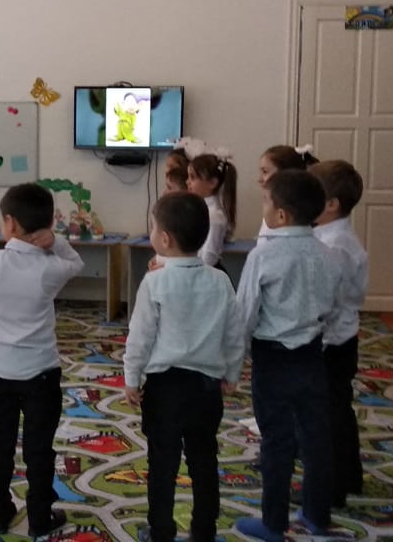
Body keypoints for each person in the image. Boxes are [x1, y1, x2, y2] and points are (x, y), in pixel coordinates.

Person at [123, 192, 244, 542]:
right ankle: (204, 530)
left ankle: (161, 530)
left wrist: (131, 377)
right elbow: (234, 333)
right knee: (204, 460)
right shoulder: (220, 280)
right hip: (206, 388)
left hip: (165, 389)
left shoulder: (155, 281)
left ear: (164, 239)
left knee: (162, 464)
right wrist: (232, 372)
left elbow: (140, 336)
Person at [0, 183, 84, 538]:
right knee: (39, 448)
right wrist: (56, 241)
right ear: (46, 224)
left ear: (11, 223)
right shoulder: (50, 267)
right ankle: (39, 518)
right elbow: (76, 263)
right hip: (41, 375)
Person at [233, 169, 341, 542]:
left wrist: (235, 361)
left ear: (280, 215)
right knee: (316, 437)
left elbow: (245, 312)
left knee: (277, 441)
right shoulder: (329, 254)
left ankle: (273, 523)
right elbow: (335, 308)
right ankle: (316, 514)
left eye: (266, 201)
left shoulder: (263, 255)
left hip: (272, 359)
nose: (263, 206)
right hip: (312, 356)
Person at [309, 160, 368, 508]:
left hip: (332, 341)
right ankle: (348, 475)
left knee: (328, 415)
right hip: (336, 337)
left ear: (331, 204)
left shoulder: (337, 245)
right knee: (336, 410)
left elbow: (327, 298)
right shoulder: (328, 236)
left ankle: (331, 488)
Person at [254, 144, 318, 245]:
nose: (259, 179)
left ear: (286, 175)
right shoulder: (271, 212)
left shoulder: (301, 214)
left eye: (265, 172)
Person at [186, 152, 238, 269]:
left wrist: (189, 273)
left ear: (212, 183)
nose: (187, 182)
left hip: (205, 273)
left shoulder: (214, 216)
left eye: (192, 177)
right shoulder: (198, 209)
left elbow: (209, 257)